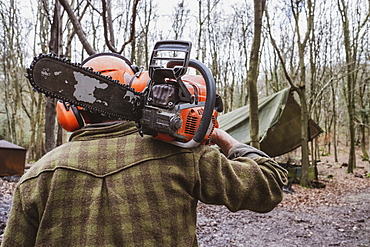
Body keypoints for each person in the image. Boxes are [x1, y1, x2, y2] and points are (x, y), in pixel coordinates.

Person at [1, 54, 288, 247]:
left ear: (71, 111)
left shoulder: (37, 178)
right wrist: (226, 140)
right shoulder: (182, 155)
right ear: (138, 90)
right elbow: (269, 185)